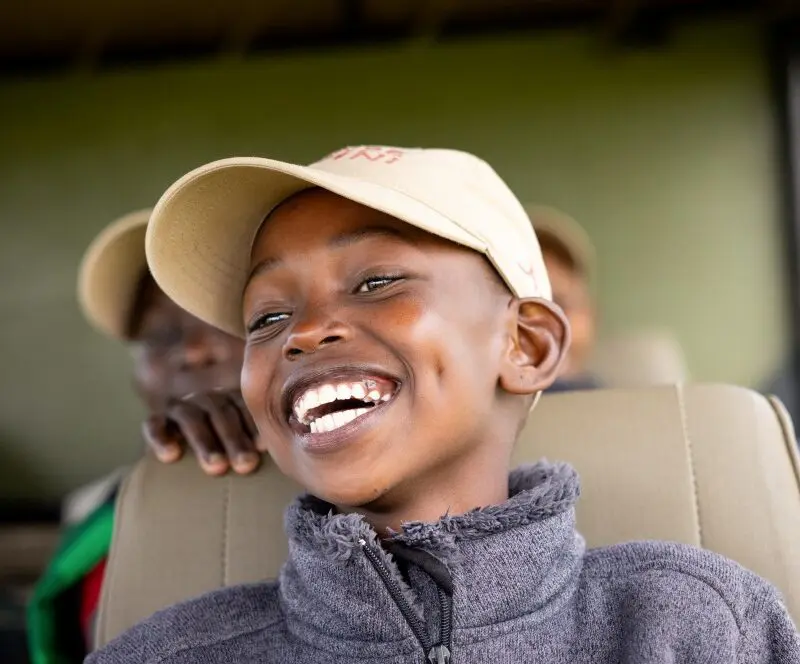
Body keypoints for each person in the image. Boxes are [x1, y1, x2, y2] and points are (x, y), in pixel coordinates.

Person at [90, 146, 799, 663]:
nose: (303, 331)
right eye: (267, 318)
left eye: (375, 282)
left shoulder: (695, 623)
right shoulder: (166, 654)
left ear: (525, 345)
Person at [27, 210, 251, 664]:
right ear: (136, 378)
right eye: (161, 336)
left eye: (222, 317)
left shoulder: (344, 499)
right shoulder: (95, 511)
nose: (191, 350)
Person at [527, 205, 601, 392]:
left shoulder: (619, 408)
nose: (547, 329)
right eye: (528, 309)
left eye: (561, 305)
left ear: (590, 315)